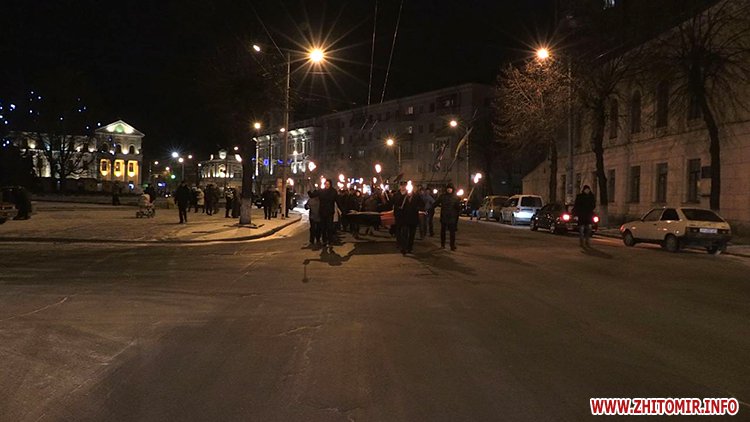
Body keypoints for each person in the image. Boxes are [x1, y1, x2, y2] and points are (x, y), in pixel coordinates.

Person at [308, 179, 338, 247]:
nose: (327, 185)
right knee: (323, 227)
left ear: (330, 184)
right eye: (326, 184)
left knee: (329, 227)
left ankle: (330, 241)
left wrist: (342, 210)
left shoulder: (333, 192)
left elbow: (337, 200)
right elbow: (312, 195)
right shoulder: (321, 191)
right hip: (322, 212)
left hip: (330, 212)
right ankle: (324, 240)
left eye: (328, 184)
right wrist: (309, 190)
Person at [398, 187, 424, 255]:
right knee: (404, 234)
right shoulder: (403, 197)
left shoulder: (416, 197)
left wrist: (418, 208)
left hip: (413, 219)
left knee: (412, 235)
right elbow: (398, 205)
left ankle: (410, 248)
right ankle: (404, 248)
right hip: (405, 219)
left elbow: (422, 205)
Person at [434, 184, 461, 251]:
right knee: (443, 231)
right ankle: (442, 244)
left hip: (452, 217)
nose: (449, 189)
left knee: (452, 233)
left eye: (450, 188)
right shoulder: (442, 197)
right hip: (444, 216)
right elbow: (436, 203)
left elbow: (458, 208)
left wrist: (460, 208)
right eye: (448, 188)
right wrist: (430, 208)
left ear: (452, 189)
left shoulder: (455, 198)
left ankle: (452, 245)